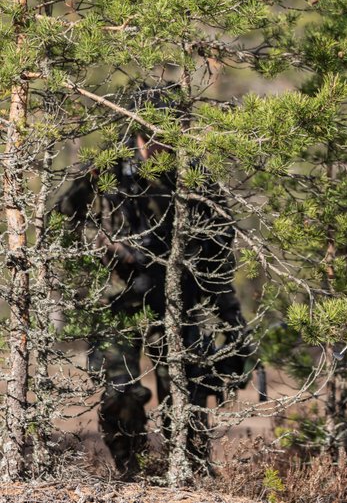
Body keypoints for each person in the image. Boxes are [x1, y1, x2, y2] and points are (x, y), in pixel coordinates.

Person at [57, 88, 249, 479]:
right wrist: (98, 236)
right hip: (119, 295)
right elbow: (67, 209)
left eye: (171, 131)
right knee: (119, 392)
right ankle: (132, 471)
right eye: (154, 131)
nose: (162, 139)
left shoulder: (193, 173)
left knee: (186, 391)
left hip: (177, 296)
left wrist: (231, 317)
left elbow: (218, 246)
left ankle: (190, 471)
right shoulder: (112, 163)